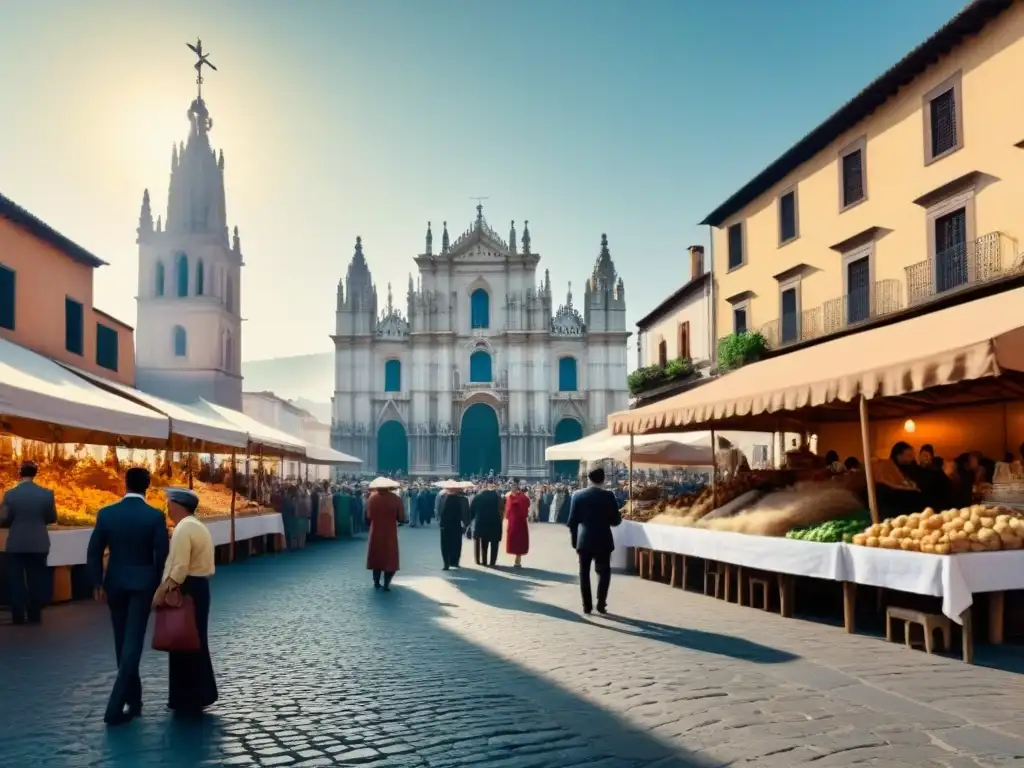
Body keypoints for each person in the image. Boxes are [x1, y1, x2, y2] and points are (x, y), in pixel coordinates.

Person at [87, 467, 169, 725]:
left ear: (125, 484)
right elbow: (161, 555)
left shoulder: (106, 514)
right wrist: (159, 586)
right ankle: (115, 706)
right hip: (144, 583)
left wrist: (96, 582)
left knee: (121, 640)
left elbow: (93, 551)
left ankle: (134, 700)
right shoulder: (155, 516)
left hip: (116, 582)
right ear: (148, 486)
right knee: (133, 642)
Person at [152, 487, 218, 715]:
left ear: (177, 505)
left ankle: (185, 698)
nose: (167, 508)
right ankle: (200, 693)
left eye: (168, 503)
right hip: (201, 587)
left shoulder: (183, 529)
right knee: (196, 640)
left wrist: (163, 591)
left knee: (182, 641)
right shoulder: (198, 526)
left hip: (187, 588)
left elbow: (179, 566)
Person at [1, 461, 57, 625]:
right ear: (35, 473)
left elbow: (4, 518)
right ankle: (34, 615)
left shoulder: (10, 495)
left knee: (16, 579)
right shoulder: (47, 494)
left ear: (20, 473)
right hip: (39, 543)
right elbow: (52, 518)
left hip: (17, 542)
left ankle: (18, 615)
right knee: (36, 579)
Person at [567, 467, 622, 615]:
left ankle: (587, 605)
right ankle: (601, 603)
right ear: (603, 480)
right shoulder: (609, 496)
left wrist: (574, 542)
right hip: (603, 539)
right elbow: (616, 521)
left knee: (584, 573)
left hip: (584, 540)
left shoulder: (577, 495)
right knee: (604, 572)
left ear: (588, 479)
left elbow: (572, 522)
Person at [364, 477, 404, 590]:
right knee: (390, 558)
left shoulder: (372, 498)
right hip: (390, 531)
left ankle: (376, 582)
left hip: (375, 531)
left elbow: (368, 516)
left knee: (376, 556)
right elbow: (401, 517)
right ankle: (386, 584)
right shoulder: (395, 498)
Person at [470, 481, 502, 566]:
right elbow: (501, 509)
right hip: (495, 523)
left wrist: (469, 521)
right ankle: (492, 562)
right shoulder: (497, 497)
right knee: (494, 543)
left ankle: (482, 561)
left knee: (482, 542)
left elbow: (471, 511)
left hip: (480, 523)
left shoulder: (478, 497)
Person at [439, 483, 468, 570]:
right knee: (456, 544)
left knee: (445, 544)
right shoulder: (463, 500)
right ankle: (454, 562)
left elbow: (440, 510)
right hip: (457, 525)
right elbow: (465, 513)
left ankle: (446, 563)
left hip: (445, 524)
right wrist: (466, 524)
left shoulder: (443, 498)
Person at [504, 481, 530, 569]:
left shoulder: (522, 497)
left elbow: (526, 506)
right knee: (514, 541)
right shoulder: (510, 496)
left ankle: (518, 559)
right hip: (512, 521)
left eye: (513, 487)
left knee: (519, 541)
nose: (512, 489)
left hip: (519, 522)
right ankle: (517, 559)